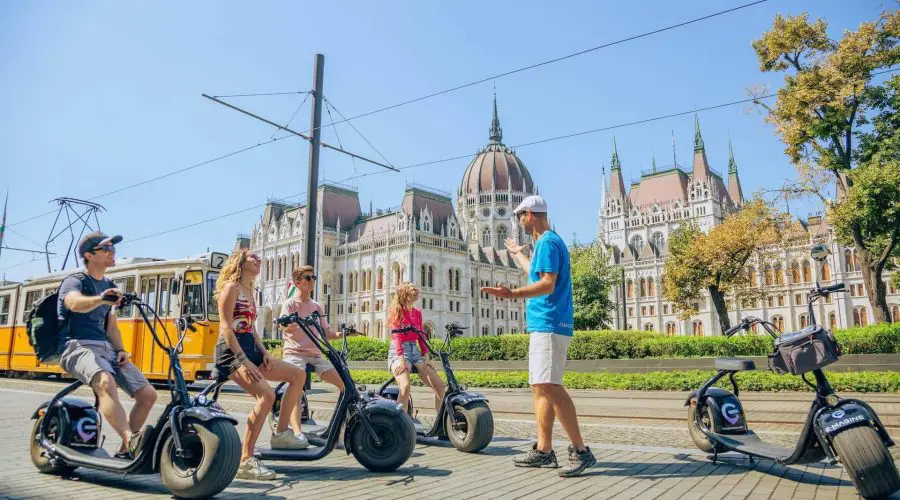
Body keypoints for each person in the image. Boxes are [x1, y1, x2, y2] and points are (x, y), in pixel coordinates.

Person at [481, 195, 596, 477]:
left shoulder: (547, 242)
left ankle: (581, 451)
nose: (519, 221)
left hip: (549, 323)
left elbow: (546, 284)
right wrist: (517, 254)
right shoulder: (547, 243)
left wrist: (512, 294)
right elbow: (535, 273)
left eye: (521, 215)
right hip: (545, 324)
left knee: (551, 386)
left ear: (531, 214)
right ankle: (544, 450)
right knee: (542, 387)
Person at [58, 231, 158, 460]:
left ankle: (124, 452)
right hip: (76, 346)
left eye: (113, 248)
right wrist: (100, 299)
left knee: (148, 395)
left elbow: (111, 325)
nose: (113, 252)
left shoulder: (110, 284)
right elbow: (73, 303)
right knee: (105, 381)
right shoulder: (75, 281)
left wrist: (121, 349)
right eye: (106, 249)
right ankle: (130, 438)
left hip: (106, 347)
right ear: (88, 255)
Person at [214, 249, 308, 481]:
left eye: (258, 258)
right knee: (267, 396)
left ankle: (281, 433)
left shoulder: (250, 291)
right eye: (251, 257)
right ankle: (246, 460)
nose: (257, 259)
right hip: (231, 353)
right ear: (239, 262)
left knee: (297, 375)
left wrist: (264, 353)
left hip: (252, 349)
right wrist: (244, 361)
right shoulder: (231, 288)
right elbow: (227, 328)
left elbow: (251, 328)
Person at [279, 265, 345, 436]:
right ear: (297, 282)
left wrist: (343, 334)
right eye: (308, 278)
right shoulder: (290, 304)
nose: (312, 281)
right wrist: (294, 322)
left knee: (344, 385)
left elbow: (326, 333)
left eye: (313, 278)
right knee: (297, 387)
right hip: (295, 353)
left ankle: (337, 429)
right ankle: (297, 432)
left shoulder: (316, 306)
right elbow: (283, 327)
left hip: (315, 355)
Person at [387, 282, 445, 412]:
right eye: (412, 289)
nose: (417, 290)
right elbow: (396, 337)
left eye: (416, 288)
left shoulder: (417, 313)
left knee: (440, 386)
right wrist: (401, 359)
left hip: (415, 351)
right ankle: (402, 424)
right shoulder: (396, 311)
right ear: (404, 294)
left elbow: (421, 335)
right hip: (399, 351)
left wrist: (426, 355)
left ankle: (442, 423)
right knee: (405, 386)